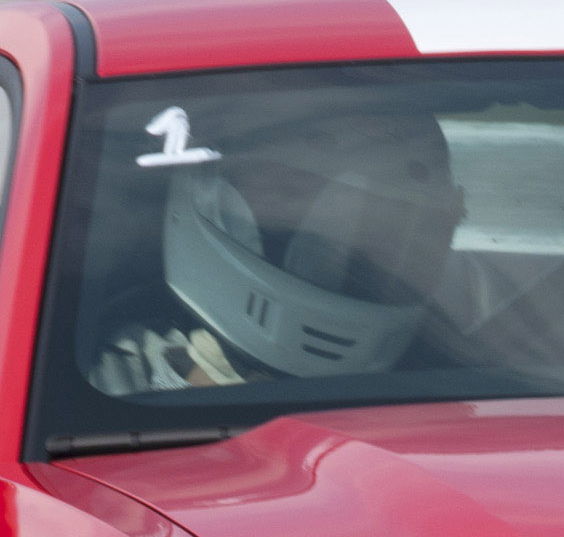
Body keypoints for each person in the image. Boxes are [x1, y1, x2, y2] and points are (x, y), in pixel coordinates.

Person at [90, 113, 467, 397]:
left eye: (389, 225)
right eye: (292, 197)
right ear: (212, 197)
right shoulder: (105, 391)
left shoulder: (461, 391)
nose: (347, 247)